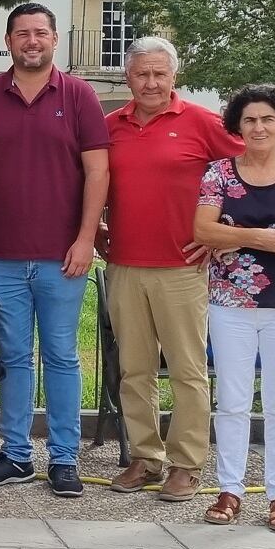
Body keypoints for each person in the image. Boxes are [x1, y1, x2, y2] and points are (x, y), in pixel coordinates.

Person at [0, 3, 109, 498]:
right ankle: (16, 455)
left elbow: (98, 171)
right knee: (15, 357)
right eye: (23, 33)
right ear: (8, 41)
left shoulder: (80, 94)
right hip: (0, 255)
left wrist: (85, 239)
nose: (32, 41)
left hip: (62, 257)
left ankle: (64, 459)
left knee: (63, 356)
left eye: (41, 33)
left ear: (54, 40)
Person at [100, 37, 243, 501]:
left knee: (187, 371)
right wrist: (94, 228)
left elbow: (248, 170)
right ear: (127, 77)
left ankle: (186, 464)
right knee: (134, 370)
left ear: (174, 76)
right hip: (124, 266)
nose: (150, 82)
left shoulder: (202, 122)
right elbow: (94, 182)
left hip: (183, 268)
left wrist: (224, 230)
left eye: (159, 74)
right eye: (142, 74)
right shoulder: (110, 126)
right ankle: (144, 458)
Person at [196, 85, 275, 532]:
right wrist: (265, 237)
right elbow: (203, 230)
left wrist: (236, 235)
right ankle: (229, 489)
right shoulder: (219, 172)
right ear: (238, 125)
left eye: (267, 118)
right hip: (229, 302)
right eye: (249, 119)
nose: (258, 127)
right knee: (231, 400)